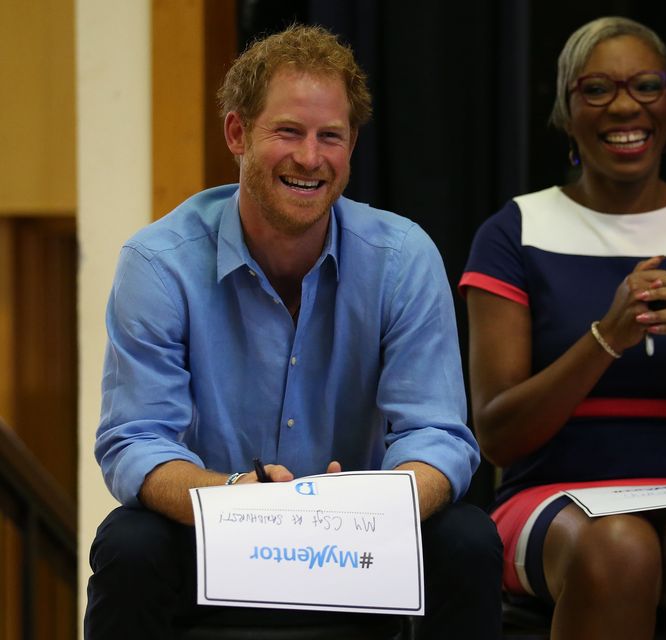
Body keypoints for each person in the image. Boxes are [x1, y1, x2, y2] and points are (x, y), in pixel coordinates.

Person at [86, 24, 502, 640]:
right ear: (237, 134)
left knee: (467, 539)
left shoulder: (402, 257)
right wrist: (238, 500)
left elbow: (438, 436)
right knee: (130, 543)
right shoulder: (159, 262)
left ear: (351, 145)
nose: (310, 158)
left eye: (329, 136)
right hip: (215, 532)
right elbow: (137, 442)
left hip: (359, 548)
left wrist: (370, 507)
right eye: (288, 131)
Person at [460, 16, 666, 640]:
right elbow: (498, 435)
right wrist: (605, 338)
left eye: (647, 85)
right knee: (617, 545)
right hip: (551, 497)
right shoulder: (514, 232)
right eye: (596, 89)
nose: (624, 106)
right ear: (566, 110)